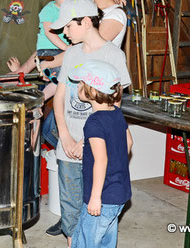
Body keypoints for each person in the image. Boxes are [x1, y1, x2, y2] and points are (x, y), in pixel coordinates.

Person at [50, 0, 131, 246]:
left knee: (96, 209)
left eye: (68, 26)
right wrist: (65, 136)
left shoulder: (114, 55)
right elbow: (59, 96)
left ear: (86, 22)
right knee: (70, 209)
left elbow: (114, 108)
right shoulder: (72, 53)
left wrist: (84, 142)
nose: (64, 33)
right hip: (68, 145)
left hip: (94, 147)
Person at [69, 60, 132, 248]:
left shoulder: (93, 122)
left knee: (86, 242)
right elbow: (128, 142)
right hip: (118, 193)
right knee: (105, 241)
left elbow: (101, 160)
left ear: (93, 91)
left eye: (81, 83)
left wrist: (96, 197)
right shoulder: (116, 113)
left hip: (102, 197)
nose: (78, 86)